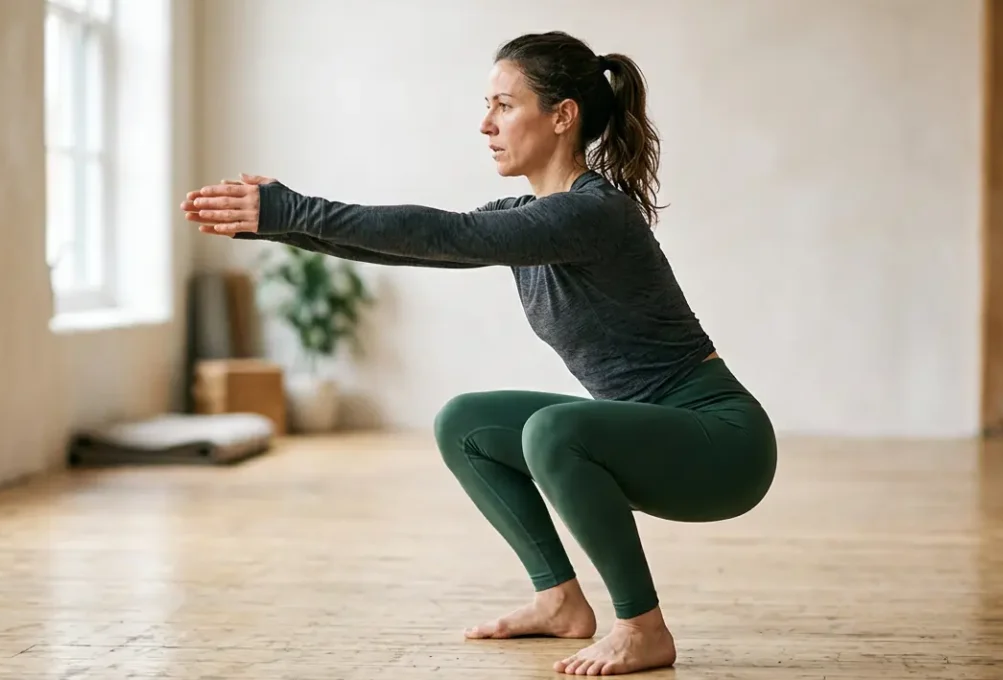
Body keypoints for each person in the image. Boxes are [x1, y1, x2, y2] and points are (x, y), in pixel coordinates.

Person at [181, 30, 777, 677]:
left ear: (561, 116)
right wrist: (281, 221)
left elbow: (450, 233)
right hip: (656, 434)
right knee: (466, 422)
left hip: (723, 444)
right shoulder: (533, 215)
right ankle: (558, 600)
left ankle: (642, 628)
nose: (485, 124)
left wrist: (297, 208)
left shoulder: (592, 214)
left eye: (503, 104)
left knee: (556, 430)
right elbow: (422, 244)